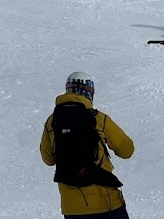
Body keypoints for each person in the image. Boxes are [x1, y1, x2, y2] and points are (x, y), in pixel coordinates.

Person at [40, 71, 135, 218]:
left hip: (72, 208)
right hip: (106, 203)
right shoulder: (99, 119)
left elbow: (48, 159)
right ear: (90, 92)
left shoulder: (52, 122)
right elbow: (127, 150)